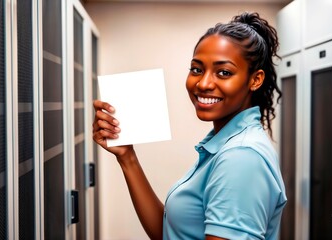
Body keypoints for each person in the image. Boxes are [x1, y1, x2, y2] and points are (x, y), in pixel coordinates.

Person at [93, 12, 287, 240]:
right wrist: (127, 157)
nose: (203, 83)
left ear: (255, 79)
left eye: (224, 72)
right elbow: (170, 234)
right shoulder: (227, 142)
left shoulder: (241, 156)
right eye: (196, 69)